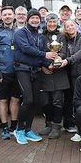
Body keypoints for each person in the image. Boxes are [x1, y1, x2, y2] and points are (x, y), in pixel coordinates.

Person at [13, 9, 56, 145]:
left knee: (35, 101)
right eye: (32, 18)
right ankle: (19, 129)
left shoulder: (40, 35)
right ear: (28, 19)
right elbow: (26, 48)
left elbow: (43, 53)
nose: (35, 20)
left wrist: (50, 63)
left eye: (37, 18)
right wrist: (45, 56)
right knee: (28, 100)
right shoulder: (20, 33)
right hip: (22, 70)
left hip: (36, 71)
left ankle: (28, 129)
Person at [0, 6, 20, 139]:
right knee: (2, 100)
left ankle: (14, 125)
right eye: (5, 14)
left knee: (16, 99)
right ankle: (4, 126)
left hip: (18, 71)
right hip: (2, 71)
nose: (7, 16)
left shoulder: (19, 31)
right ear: (1, 16)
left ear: (14, 16)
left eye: (9, 14)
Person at [37, 13, 69, 140]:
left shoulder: (62, 36)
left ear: (57, 22)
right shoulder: (40, 36)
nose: (51, 24)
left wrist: (57, 62)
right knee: (45, 101)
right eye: (49, 22)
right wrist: (44, 66)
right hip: (44, 73)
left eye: (54, 22)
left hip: (59, 73)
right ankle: (48, 124)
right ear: (46, 22)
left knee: (57, 101)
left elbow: (64, 52)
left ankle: (56, 126)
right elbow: (37, 53)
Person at [61, 19, 81, 141]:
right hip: (71, 75)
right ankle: (80, 128)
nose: (70, 28)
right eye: (67, 26)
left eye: (72, 25)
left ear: (76, 26)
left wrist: (67, 60)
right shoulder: (66, 40)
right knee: (75, 102)